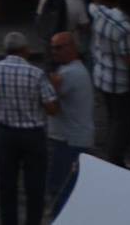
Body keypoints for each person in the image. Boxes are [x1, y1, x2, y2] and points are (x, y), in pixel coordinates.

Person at [0, 30, 59, 225]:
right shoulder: (36, 74)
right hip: (33, 136)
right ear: (25, 50)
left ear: (6, 49)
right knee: (35, 188)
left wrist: (1, 103)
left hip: (5, 135)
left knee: (6, 186)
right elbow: (52, 108)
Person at [87, 0, 130, 165]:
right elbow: (129, 59)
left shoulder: (100, 12)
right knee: (121, 122)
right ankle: (115, 158)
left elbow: (92, 3)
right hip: (120, 81)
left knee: (112, 117)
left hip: (102, 76)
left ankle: (113, 152)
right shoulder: (126, 28)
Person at [44, 29, 95, 214]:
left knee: (61, 189)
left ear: (72, 47)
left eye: (59, 47)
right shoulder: (72, 69)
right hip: (72, 137)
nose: (54, 52)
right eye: (52, 48)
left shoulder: (70, 74)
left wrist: (49, 85)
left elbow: (48, 101)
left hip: (68, 140)